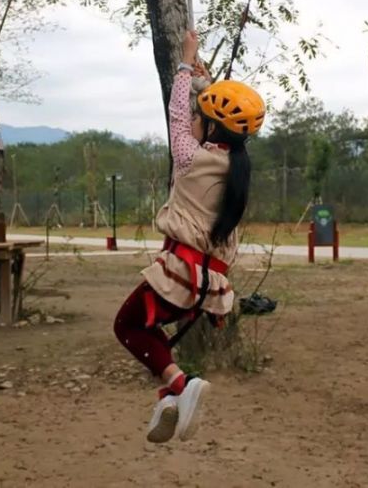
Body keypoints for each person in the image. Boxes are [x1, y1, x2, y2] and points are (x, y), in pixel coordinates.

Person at [112, 30, 266, 444]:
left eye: (202, 119)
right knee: (147, 328)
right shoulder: (235, 165)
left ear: (212, 128)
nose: (192, 121)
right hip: (207, 281)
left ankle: (181, 384)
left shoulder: (191, 158)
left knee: (126, 326)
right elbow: (209, 111)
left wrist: (184, 63)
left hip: (180, 271)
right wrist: (205, 79)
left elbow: (177, 114)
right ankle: (168, 394)